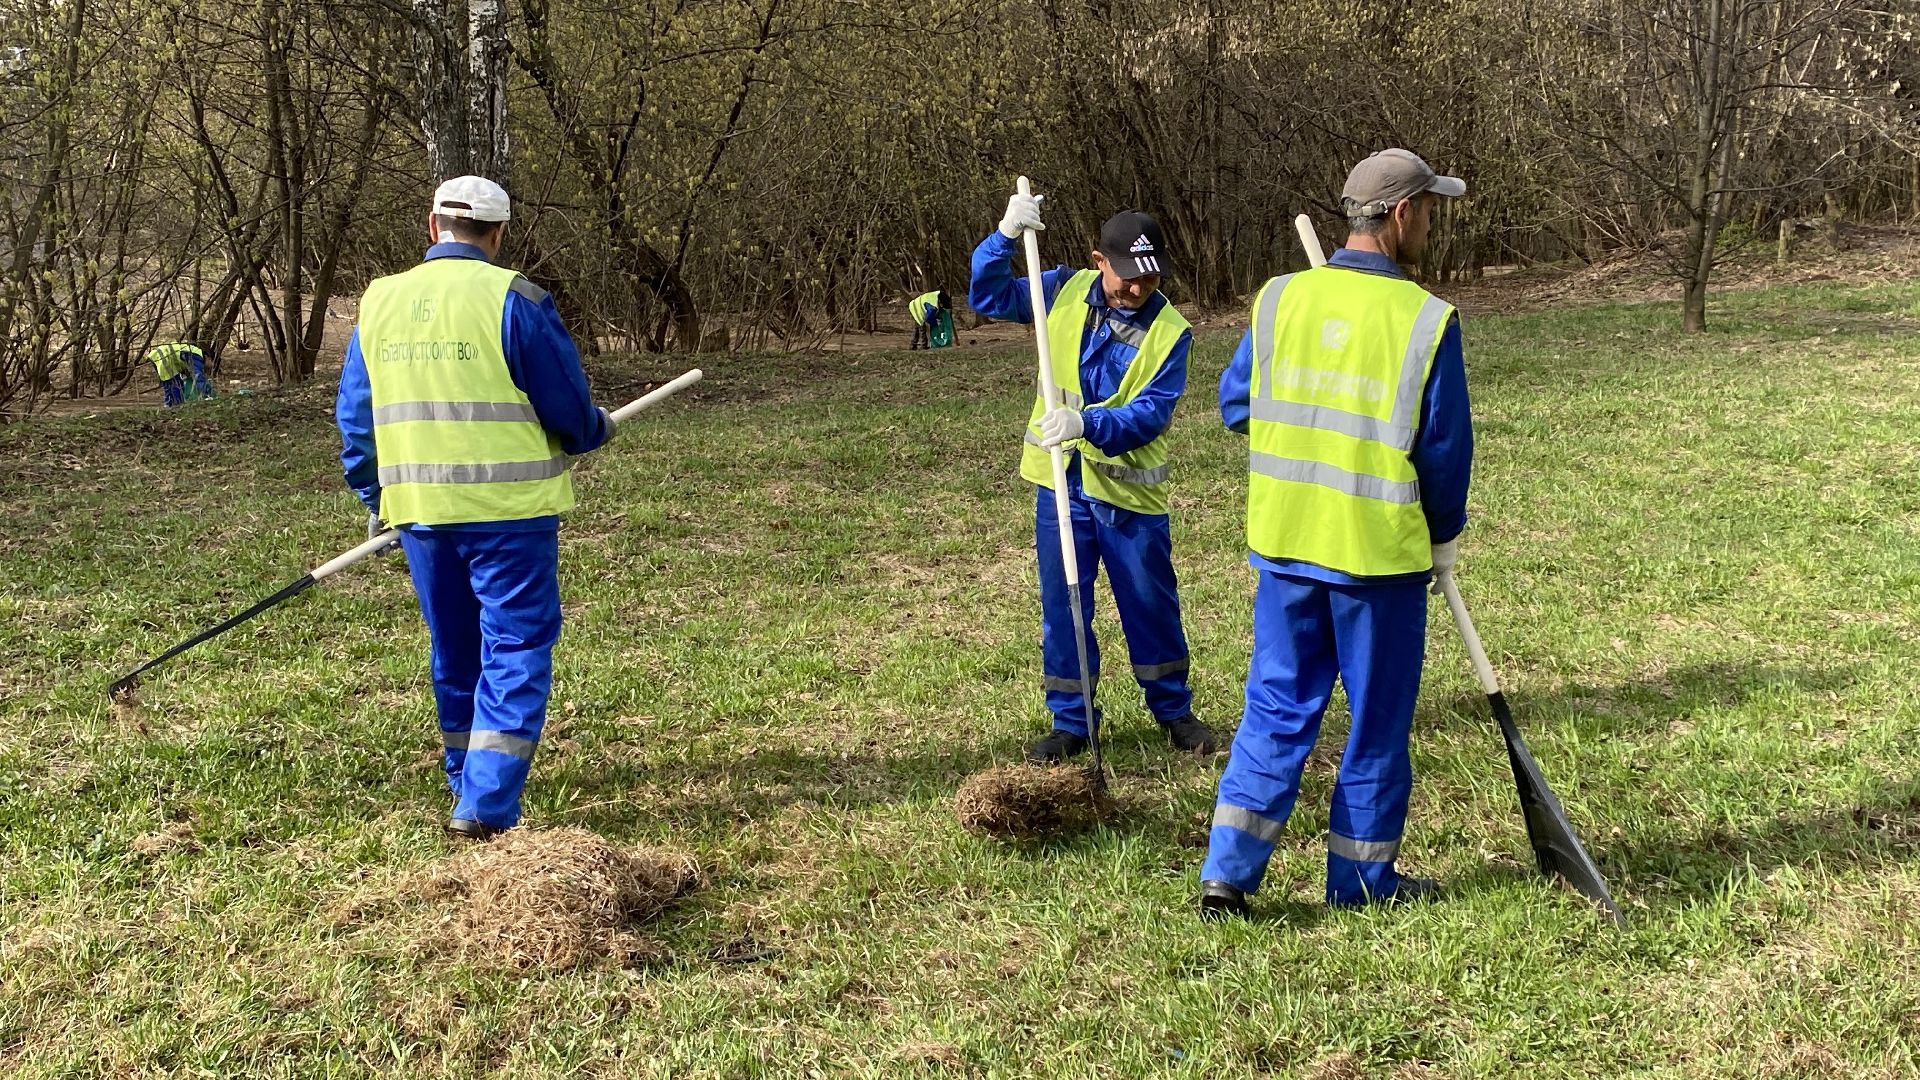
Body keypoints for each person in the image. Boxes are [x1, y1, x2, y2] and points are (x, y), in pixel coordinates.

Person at [1199, 149, 1474, 918]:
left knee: (1275, 710)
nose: (1431, 223)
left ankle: (1227, 874)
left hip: (1286, 549)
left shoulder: (1280, 300)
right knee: (1378, 725)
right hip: (1377, 559)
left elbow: (1237, 406)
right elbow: (1444, 450)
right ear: (1399, 214)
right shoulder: (1425, 320)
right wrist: (1443, 535)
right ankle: (1360, 881)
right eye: (1428, 209)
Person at [335, 175, 615, 841]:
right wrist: (593, 429)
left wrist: (376, 495)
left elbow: (355, 417)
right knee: (515, 643)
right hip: (508, 511)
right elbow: (568, 407)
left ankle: (466, 776)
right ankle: (485, 805)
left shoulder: (379, 301)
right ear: (498, 235)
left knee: (455, 647)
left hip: (422, 516)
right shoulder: (514, 297)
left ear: (432, 227)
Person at [969, 190, 1215, 762]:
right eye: (1126, 276)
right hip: (1061, 486)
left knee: (1149, 604)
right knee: (1065, 606)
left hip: (1129, 495)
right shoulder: (1063, 289)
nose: (1137, 289)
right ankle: (1073, 722)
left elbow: (1150, 414)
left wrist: (1085, 422)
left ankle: (1174, 712)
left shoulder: (1171, 331)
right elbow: (989, 294)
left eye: (1149, 279)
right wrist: (1004, 238)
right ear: (1099, 260)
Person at [148, 342, 214, 406]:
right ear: (207, 357)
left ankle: (172, 405)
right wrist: (208, 394)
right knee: (174, 384)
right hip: (164, 356)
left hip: (160, 355)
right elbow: (198, 376)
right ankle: (174, 405)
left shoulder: (194, 351)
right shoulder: (197, 356)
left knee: (175, 384)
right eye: (211, 362)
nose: (211, 366)